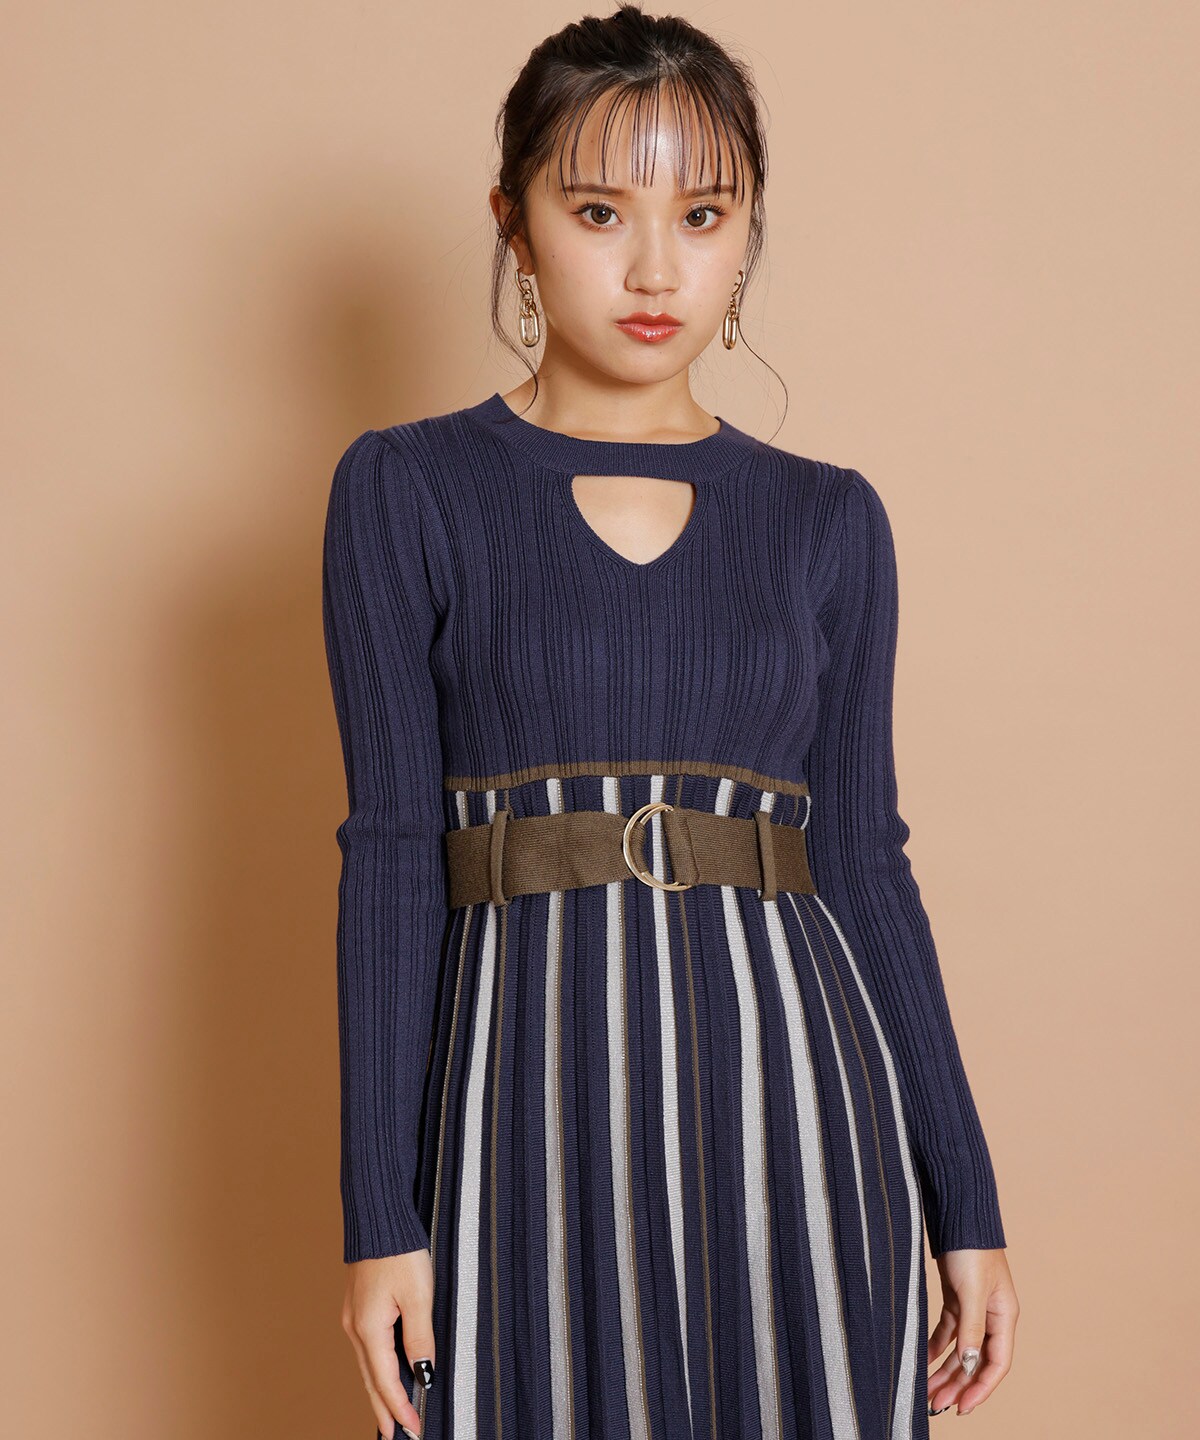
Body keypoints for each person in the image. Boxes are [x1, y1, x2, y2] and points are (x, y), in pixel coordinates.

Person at [321, 7, 1019, 1438]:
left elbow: (865, 863)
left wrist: (969, 1201)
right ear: (514, 225)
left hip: (797, 1107)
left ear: (748, 231)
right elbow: (390, 854)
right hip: (522, 1111)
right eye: (598, 212)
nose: (656, 270)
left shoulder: (829, 519)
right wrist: (377, 1216)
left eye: (704, 215)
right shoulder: (407, 491)